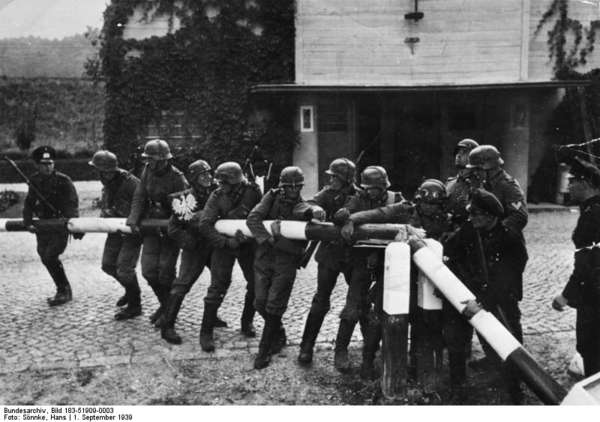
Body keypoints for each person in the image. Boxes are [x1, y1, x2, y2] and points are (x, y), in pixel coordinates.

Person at [443, 188, 528, 404]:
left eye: (475, 215)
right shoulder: (472, 229)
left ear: (489, 216)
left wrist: (482, 303)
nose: (471, 218)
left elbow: (508, 278)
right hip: (471, 295)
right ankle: (458, 387)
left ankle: (514, 392)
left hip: (499, 301)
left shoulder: (510, 238)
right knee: (456, 341)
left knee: (506, 346)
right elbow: (451, 247)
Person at [247, 166, 325, 369]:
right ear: (281, 186)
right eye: (288, 186)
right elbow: (253, 219)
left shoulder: (302, 207)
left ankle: (264, 351)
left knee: (274, 305)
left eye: (296, 187)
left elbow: (299, 243)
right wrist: (268, 239)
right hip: (264, 257)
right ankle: (278, 331)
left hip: (286, 261)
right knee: (260, 302)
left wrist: (315, 212)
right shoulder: (271, 198)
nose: (292, 190)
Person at [332, 165, 404, 373]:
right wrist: (344, 216)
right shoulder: (358, 198)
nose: (371, 192)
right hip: (361, 261)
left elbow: (395, 213)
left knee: (381, 311)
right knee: (352, 308)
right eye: (368, 188)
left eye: (375, 188)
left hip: (387, 263)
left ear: (383, 186)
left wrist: (356, 218)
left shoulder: (396, 199)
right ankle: (341, 350)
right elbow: (341, 216)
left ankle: (370, 356)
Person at [297, 158, 359, 365]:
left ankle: (357, 348)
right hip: (330, 255)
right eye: (330, 176)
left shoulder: (359, 195)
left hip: (353, 256)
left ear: (346, 179)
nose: (331, 179)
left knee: (358, 301)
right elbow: (310, 203)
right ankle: (306, 347)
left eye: (335, 176)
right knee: (320, 300)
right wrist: (313, 210)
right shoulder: (326, 194)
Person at [198, 161, 262, 352]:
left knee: (255, 283)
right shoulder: (217, 196)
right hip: (224, 245)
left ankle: (247, 321)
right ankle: (206, 331)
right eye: (220, 183)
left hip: (247, 245)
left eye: (225, 183)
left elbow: (260, 214)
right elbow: (205, 225)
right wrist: (227, 242)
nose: (221, 186)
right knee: (218, 285)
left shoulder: (252, 192)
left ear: (236, 183)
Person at [126, 139, 188, 326]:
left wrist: (174, 226)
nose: (149, 162)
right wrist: (134, 218)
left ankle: (169, 312)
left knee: (165, 274)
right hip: (152, 227)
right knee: (148, 271)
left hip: (170, 229)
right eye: (148, 159)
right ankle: (166, 305)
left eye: (152, 159)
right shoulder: (147, 172)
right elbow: (140, 195)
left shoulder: (177, 178)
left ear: (163, 160)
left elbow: (185, 209)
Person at [160, 159, 221, 344]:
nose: (208, 177)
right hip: (195, 247)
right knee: (182, 284)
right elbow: (173, 228)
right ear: (193, 179)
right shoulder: (185, 199)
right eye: (202, 175)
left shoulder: (217, 193)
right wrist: (188, 242)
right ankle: (167, 326)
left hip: (214, 245)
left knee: (219, 283)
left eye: (209, 173)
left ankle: (211, 319)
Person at [552, 157, 600, 377]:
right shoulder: (592, 209)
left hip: (594, 295)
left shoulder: (593, 215)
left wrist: (565, 296)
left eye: (573, 181)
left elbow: (586, 265)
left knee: (591, 349)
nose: (569, 185)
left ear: (587, 183)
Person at [23, 145, 81, 306]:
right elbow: (29, 203)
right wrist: (28, 222)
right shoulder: (34, 181)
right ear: (37, 165)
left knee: (50, 256)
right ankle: (61, 288)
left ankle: (64, 290)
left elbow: (72, 204)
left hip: (60, 225)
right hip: (43, 226)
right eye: (43, 164)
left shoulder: (63, 180)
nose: (47, 167)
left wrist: (73, 224)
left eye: (50, 163)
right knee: (43, 255)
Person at [89, 150, 142, 320]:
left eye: (98, 170)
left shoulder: (130, 183)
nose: (97, 173)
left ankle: (135, 304)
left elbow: (142, 204)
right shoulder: (107, 182)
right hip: (115, 231)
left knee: (125, 269)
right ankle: (130, 290)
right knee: (108, 265)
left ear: (107, 170)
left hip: (131, 231)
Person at [466, 145, 528, 235]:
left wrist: (496, 232)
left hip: (503, 240)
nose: (475, 173)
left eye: (476, 169)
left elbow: (519, 216)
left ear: (487, 168)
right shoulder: (482, 183)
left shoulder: (508, 186)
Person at [446, 138, 479, 227]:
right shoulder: (450, 183)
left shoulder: (479, 184)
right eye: (457, 152)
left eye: (464, 152)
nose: (458, 155)